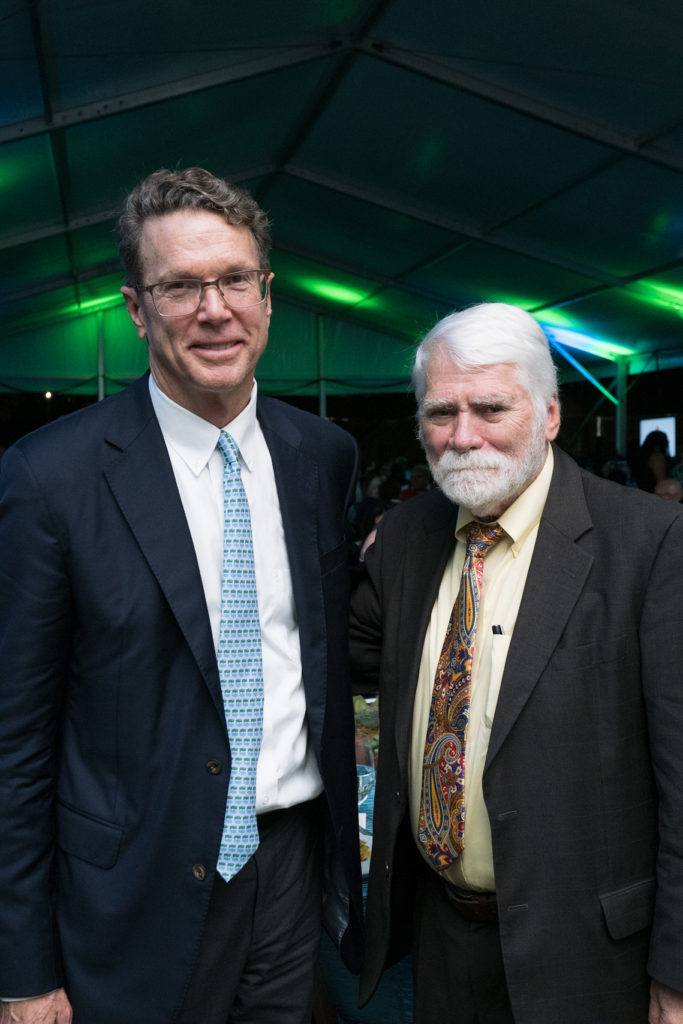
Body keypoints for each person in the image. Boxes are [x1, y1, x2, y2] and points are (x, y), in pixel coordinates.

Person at [0, 167, 362, 1024]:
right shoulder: (51, 478)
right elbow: (15, 744)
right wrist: (21, 967)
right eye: (179, 287)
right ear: (135, 308)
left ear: (267, 294)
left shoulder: (323, 457)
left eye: (235, 279)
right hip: (128, 889)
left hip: (289, 870)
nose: (214, 309)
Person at [349, 302, 683, 1024]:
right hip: (443, 939)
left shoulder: (649, 544)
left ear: (550, 415)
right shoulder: (407, 538)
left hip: (593, 956)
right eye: (440, 413)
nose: (462, 437)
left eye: (490, 408)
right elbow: (344, 656)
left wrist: (676, 975)